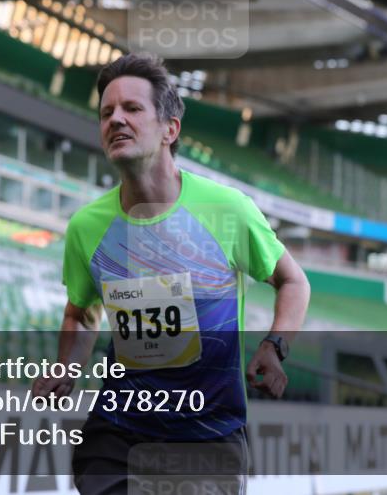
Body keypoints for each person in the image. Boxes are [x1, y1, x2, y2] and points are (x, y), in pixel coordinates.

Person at [32, 53, 310, 495]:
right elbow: (81, 313)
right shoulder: (87, 227)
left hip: (208, 435)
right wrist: (66, 368)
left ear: (170, 129)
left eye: (132, 109)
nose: (116, 120)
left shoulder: (228, 209)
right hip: (117, 433)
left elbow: (294, 281)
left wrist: (275, 347)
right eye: (107, 112)